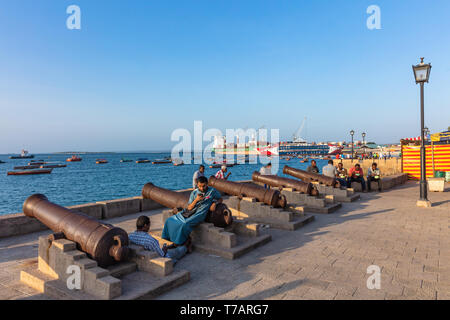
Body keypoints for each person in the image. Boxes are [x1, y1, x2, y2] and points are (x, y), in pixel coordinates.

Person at [162, 176, 223, 246]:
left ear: (207, 184)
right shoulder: (194, 193)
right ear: (197, 185)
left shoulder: (212, 191)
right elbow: (189, 207)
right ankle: (168, 239)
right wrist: (196, 200)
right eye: (200, 186)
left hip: (199, 214)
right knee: (169, 220)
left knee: (184, 225)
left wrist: (215, 203)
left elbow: (220, 198)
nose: (202, 188)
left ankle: (178, 243)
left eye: (204, 186)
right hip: (189, 212)